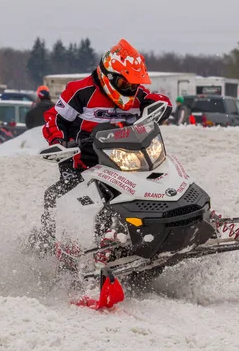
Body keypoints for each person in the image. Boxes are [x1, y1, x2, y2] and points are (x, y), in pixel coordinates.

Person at [39, 39, 172, 244]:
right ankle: (52, 242)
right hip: (82, 160)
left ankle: (176, 220)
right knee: (60, 195)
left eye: (134, 83)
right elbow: (54, 118)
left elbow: (157, 99)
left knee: (158, 178)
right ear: (109, 76)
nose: (130, 88)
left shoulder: (137, 94)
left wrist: (163, 106)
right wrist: (60, 141)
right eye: (124, 83)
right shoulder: (80, 91)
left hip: (126, 158)